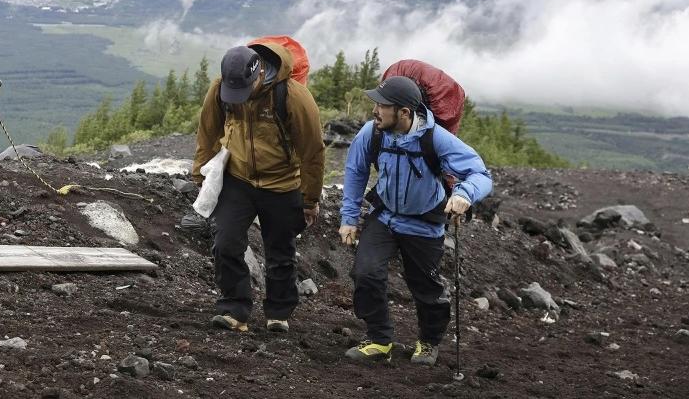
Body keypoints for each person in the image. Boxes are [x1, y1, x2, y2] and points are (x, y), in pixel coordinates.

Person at [338, 76, 492, 365]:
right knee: (366, 273)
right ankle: (379, 340)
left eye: (382, 106)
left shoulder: (436, 139)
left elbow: (480, 175)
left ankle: (428, 343)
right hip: (384, 217)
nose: (375, 111)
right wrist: (348, 217)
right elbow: (355, 171)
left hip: (424, 222)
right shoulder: (371, 133)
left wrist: (464, 195)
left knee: (426, 288)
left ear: (405, 112)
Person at [192, 43, 325, 333]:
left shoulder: (292, 97)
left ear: (260, 73)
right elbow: (207, 132)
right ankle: (234, 309)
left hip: (282, 183)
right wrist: (200, 175)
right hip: (237, 178)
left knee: (280, 250)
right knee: (225, 243)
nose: (239, 98)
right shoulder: (221, 90)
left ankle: (278, 313)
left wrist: (309, 198)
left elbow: (312, 151)